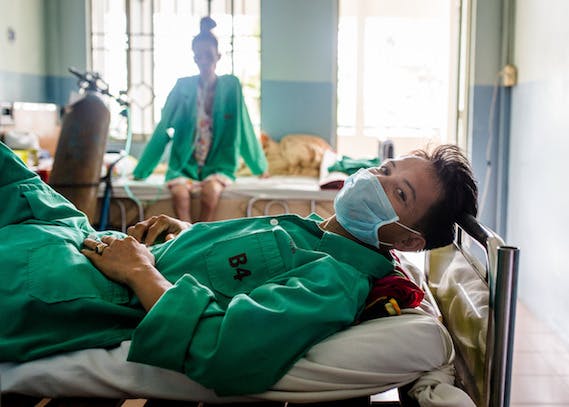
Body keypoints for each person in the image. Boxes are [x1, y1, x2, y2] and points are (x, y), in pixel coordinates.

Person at [0, 141, 477, 396]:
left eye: (399, 194)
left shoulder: (333, 282)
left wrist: (140, 272)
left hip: (79, 280)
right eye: (388, 169)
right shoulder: (315, 233)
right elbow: (237, 267)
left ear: (409, 239)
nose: (376, 178)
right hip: (80, 236)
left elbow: (224, 351)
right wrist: (187, 233)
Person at [132, 16, 268, 222]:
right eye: (198, 57)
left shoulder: (231, 87)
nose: (204, 61)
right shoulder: (182, 87)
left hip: (219, 164)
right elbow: (163, 128)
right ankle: (184, 237)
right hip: (185, 164)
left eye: (208, 56)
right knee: (180, 195)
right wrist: (142, 170)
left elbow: (244, 127)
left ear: (218, 56)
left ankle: (202, 236)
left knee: (210, 193)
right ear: (193, 58)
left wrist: (260, 167)